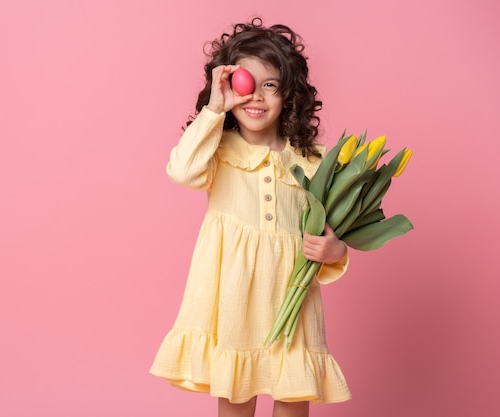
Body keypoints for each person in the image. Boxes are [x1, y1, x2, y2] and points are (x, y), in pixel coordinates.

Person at [150, 18, 351, 417]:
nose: (256, 96)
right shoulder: (217, 149)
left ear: (288, 93)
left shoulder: (313, 160)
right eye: (245, 83)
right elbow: (182, 171)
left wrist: (336, 249)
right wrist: (213, 108)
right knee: (237, 396)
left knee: (294, 396)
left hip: (292, 294)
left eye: (270, 85)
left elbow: (332, 229)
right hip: (235, 297)